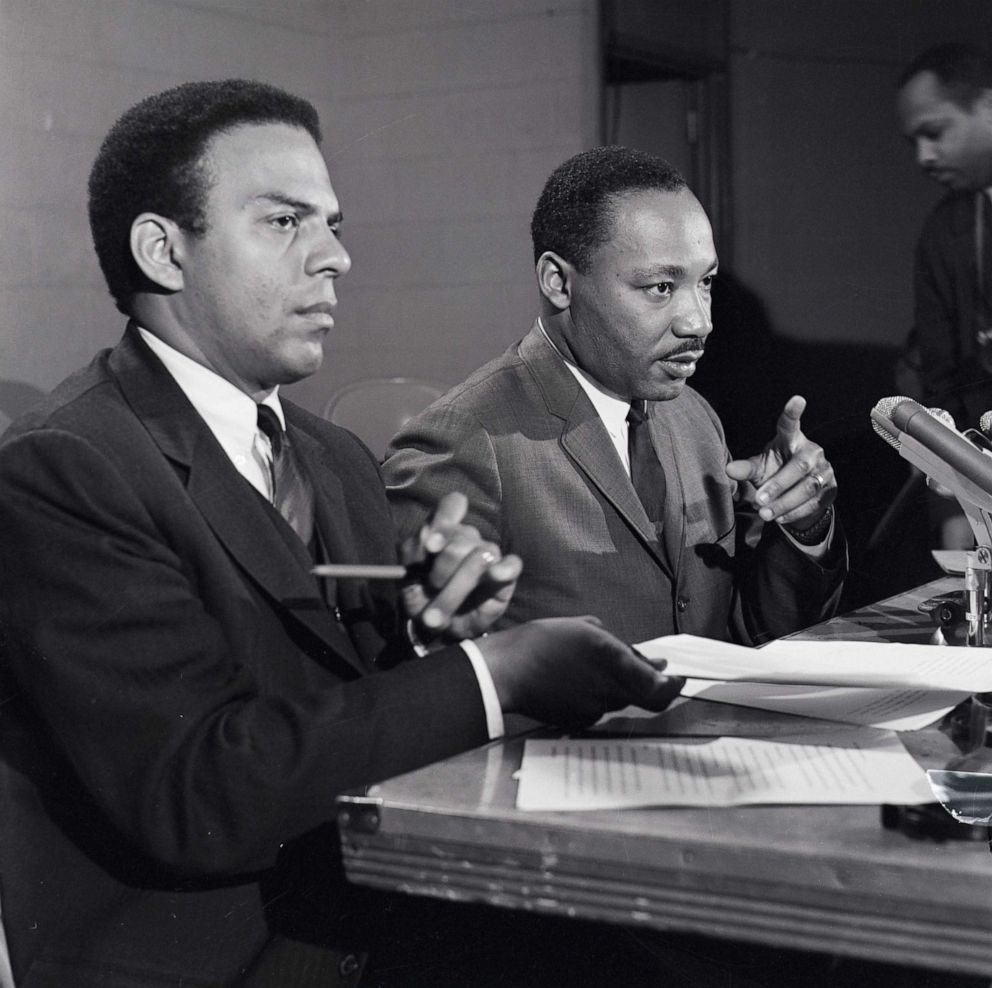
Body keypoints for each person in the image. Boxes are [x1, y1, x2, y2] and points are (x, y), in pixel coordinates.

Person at [0, 82, 683, 987]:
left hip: (371, 926)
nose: (337, 258)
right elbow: (199, 789)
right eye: (286, 223)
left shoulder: (332, 455)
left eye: (331, 223)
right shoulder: (64, 466)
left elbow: (333, 702)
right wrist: (492, 673)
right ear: (163, 250)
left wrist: (427, 634)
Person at [384, 147, 846, 646]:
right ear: (558, 282)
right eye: (660, 287)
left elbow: (745, 633)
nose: (700, 322)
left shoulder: (694, 418)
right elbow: (422, 660)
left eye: (705, 282)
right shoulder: (464, 437)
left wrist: (804, 525)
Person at [896, 43, 992, 550]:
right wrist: (951, 506)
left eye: (935, 133)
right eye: (914, 140)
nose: (924, 157)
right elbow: (941, 384)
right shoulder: (945, 229)